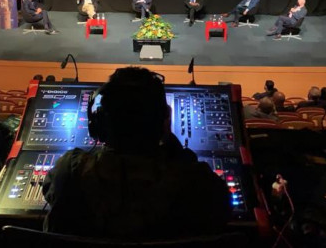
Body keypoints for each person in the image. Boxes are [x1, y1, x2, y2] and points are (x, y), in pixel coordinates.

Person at [42, 67, 231, 239]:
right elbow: (223, 211)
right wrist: (175, 149)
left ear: (97, 125)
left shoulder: (69, 171)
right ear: (164, 120)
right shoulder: (196, 180)